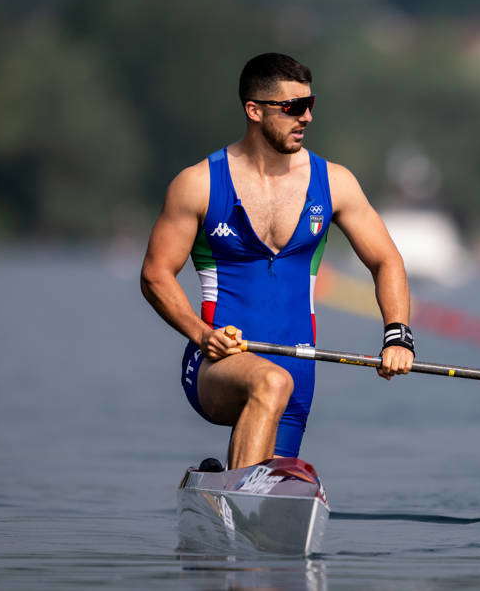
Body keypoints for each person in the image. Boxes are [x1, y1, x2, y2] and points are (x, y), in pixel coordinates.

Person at [140, 53, 414, 469]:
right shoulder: (198, 184)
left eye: (310, 105)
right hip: (217, 360)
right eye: (292, 108)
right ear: (254, 110)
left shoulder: (335, 183)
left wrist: (397, 334)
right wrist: (202, 335)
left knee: (282, 475)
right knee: (270, 381)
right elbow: (156, 274)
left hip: (299, 366)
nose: (305, 118)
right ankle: (237, 495)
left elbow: (386, 261)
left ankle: (224, 487)